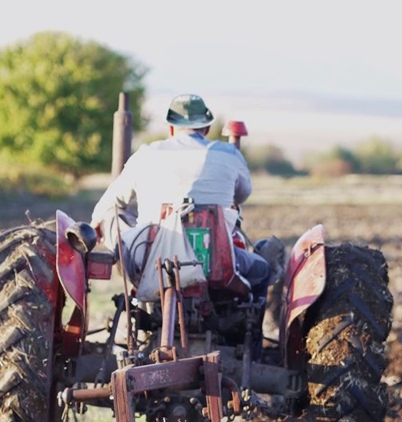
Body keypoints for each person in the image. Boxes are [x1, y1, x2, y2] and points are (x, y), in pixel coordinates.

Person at [91, 93, 271, 303]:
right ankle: (251, 332)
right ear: (207, 129)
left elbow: (109, 204)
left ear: (171, 129)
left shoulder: (145, 155)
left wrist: (97, 225)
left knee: (113, 216)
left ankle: (139, 294)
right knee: (262, 270)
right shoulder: (230, 154)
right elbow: (243, 194)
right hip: (218, 264)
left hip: (150, 260)